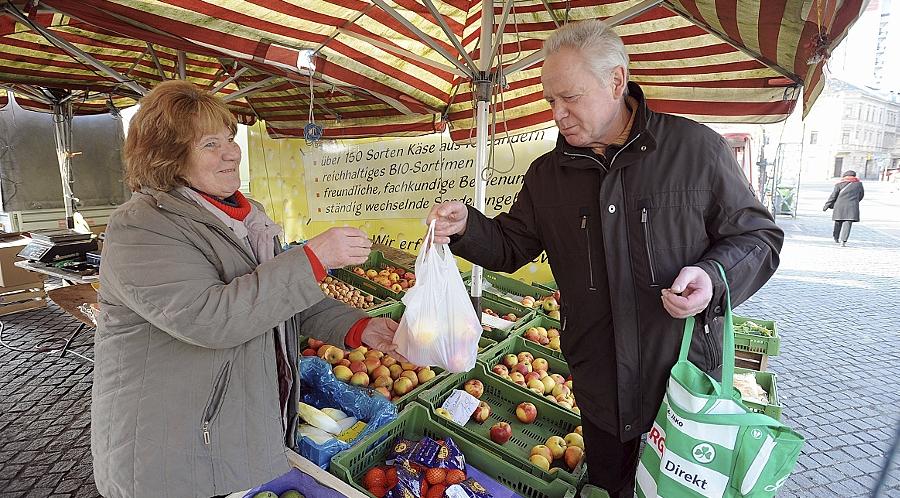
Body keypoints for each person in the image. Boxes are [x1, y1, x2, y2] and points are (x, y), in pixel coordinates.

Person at [426, 20, 783, 498]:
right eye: (550, 99)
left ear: (616, 81)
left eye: (570, 97)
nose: (558, 113)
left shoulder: (696, 150)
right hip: (599, 389)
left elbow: (759, 237)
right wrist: (468, 226)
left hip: (679, 386)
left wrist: (713, 277)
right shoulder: (548, 175)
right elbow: (511, 245)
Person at [92, 80, 403, 498]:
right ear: (168, 155)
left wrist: (360, 328)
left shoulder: (245, 218)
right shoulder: (142, 227)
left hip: (225, 427)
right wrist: (312, 259)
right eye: (209, 144)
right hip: (172, 444)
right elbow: (211, 318)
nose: (231, 152)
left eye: (230, 139)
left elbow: (276, 301)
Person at [824, 170, 864, 246]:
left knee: (838, 222)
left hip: (839, 206)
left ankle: (836, 237)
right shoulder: (859, 185)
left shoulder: (839, 184)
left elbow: (833, 196)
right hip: (852, 207)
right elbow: (861, 195)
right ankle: (843, 241)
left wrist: (827, 205)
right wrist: (855, 201)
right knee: (848, 224)